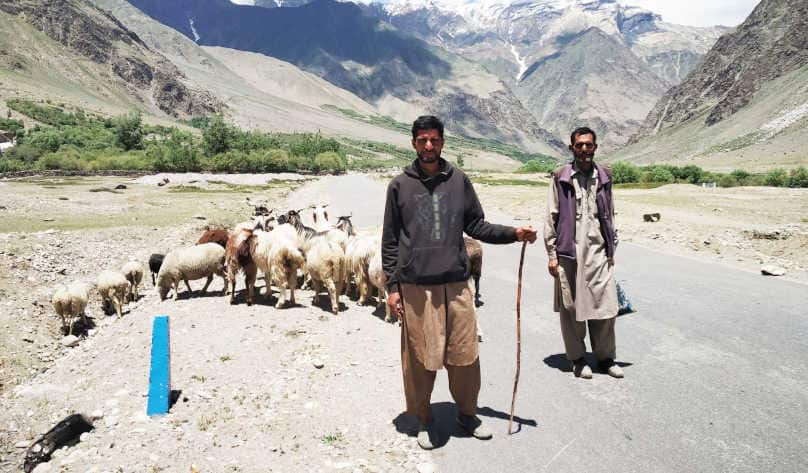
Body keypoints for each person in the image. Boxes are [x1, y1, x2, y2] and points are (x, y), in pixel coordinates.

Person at [382, 115, 537, 450]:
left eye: (434, 140)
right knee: (420, 358)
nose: (428, 146)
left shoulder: (459, 181)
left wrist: (513, 234)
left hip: (456, 284)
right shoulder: (399, 186)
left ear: (442, 142)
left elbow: (477, 225)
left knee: (465, 354)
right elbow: (390, 241)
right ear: (413, 143)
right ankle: (423, 418)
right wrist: (392, 288)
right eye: (422, 140)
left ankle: (467, 414)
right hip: (416, 287)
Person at [543, 126, 623, 380]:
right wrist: (552, 254)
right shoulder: (561, 176)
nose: (585, 149)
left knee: (605, 307)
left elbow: (610, 212)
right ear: (572, 148)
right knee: (572, 307)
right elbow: (551, 215)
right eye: (580, 145)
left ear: (595, 147)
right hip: (569, 252)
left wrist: (612, 245)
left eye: (589, 145)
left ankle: (606, 358)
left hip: (599, 251)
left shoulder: (605, 176)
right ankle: (577, 359)